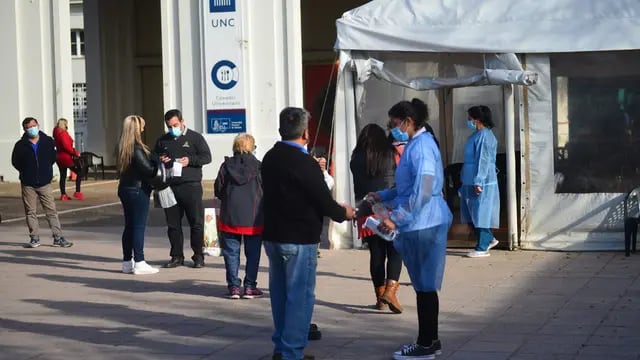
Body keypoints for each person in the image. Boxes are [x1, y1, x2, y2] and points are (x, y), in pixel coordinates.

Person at [261, 107, 356, 360]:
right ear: (306, 132)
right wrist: (343, 213)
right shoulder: (305, 163)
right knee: (300, 297)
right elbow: (323, 202)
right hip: (299, 237)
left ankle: (282, 347)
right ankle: (292, 351)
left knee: (280, 296)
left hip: (273, 234)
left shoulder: (270, 157)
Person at [371, 99, 452, 360]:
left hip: (424, 223)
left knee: (426, 287)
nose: (393, 129)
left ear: (407, 121)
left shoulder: (422, 147)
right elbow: (406, 188)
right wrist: (383, 195)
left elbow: (424, 190)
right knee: (423, 286)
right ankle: (430, 340)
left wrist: (397, 218)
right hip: (421, 221)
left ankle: (426, 343)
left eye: (395, 124)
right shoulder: (417, 145)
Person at [350, 123, 403, 313]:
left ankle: (379, 298)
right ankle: (390, 291)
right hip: (388, 209)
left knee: (376, 254)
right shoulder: (390, 153)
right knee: (395, 252)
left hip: (366, 210)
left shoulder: (356, 158)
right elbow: (396, 181)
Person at [155, 109, 212, 269]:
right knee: (173, 224)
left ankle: (198, 256)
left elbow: (207, 157)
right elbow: (153, 157)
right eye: (169, 126)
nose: (173, 128)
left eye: (175, 125)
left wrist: (191, 160)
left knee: (196, 222)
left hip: (190, 186)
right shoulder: (163, 140)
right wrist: (160, 159)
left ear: (182, 121)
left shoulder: (195, 138)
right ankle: (176, 256)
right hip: (170, 187)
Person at [214, 133, 264, 299]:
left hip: (230, 215)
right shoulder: (259, 166)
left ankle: (234, 286)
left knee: (231, 252)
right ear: (252, 147)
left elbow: (218, 189)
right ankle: (250, 286)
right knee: (253, 253)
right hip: (253, 216)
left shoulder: (226, 165)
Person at [12, 117, 73, 249]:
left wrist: (45, 172)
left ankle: (58, 237)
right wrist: (27, 172)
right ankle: (34, 238)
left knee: (51, 211)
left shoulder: (47, 141)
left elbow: (52, 157)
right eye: (29, 127)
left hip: (44, 182)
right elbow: (16, 162)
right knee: (30, 211)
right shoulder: (20, 145)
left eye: (34, 125)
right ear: (24, 129)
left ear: (38, 125)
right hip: (28, 183)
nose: (32, 128)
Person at [116, 115, 161, 275]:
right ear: (136, 128)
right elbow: (147, 169)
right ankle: (140, 261)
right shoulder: (136, 148)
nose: (143, 128)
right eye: (141, 126)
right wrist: (156, 162)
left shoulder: (123, 146)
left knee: (129, 226)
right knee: (138, 226)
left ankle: (127, 261)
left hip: (125, 188)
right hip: (138, 189)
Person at [460, 105, 500, 258]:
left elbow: (483, 160)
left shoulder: (485, 136)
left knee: (481, 212)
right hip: (470, 178)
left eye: (470, 118)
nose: (468, 121)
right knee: (471, 212)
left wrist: (479, 181)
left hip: (481, 179)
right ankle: (488, 238)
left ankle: (482, 245)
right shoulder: (475, 136)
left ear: (477, 119)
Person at [53, 118, 84, 201]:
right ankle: (77, 192)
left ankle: (63, 194)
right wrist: (75, 152)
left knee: (63, 176)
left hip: (59, 156)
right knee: (79, 172)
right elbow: (67, 146)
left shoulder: (56, 133)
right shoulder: (63, 134)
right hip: (66, 157)